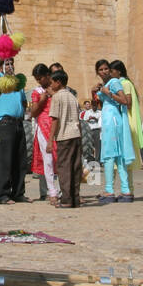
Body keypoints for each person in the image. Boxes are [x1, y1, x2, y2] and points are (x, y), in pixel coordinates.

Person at [94, 59, 143, 202]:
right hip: (110, 120)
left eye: (105, 69)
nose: (103, 72)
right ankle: (126, 190)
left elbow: (125, 101)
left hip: (113, 121)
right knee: (118, 155)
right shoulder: (107, 84)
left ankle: (110, 190)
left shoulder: (114, 83)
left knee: (109, 154)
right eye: (101, 69)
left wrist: (107, 93)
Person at [0, 58, 29, 203]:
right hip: (5, 123)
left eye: (11, 63)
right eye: (7, 64)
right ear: (2, 67)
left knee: (20, 160)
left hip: (18, 123)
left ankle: (18, 193)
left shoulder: (18, 83)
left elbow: (23, 101)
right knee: (5, 160)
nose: (10, 66)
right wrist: (1, 59)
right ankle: (3, 195)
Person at [48, 69, 82, 207]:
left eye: (52, 83)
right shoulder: (72, 97)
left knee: (64, 168)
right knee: (75, 167)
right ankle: (75, 198)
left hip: (64, 136)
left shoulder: (57, 97)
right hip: (76, 135)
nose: (51, 86)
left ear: (58, 82)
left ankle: (67, 200)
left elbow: (55, 120)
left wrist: (50, 140)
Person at [27, 63, 60, 205]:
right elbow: (33, 112)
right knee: (48, 160)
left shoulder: (57, 88)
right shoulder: (37, 91)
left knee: (61, 159)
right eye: (37, 79)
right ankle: (51, 192)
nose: (40, 81)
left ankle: (65, 190)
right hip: (43, 126)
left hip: (58, 126)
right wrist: (42, 99)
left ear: (48, 76)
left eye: (41, 78)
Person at [81, 97, 102, 168]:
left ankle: (98, 161)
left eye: (95, 105)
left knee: (98, 146)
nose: (94, 107)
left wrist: (96, 119)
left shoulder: (100, 112)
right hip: (89, 131)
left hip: (97, 130)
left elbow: (102, 122)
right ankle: (90, 161)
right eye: (93, 106)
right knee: (89, 146)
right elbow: (84, 122)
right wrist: (89, 119)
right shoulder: (88, 112)